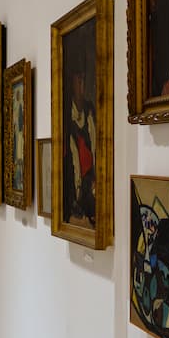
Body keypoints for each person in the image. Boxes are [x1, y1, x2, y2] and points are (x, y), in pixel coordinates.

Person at [66, 71, 97, 226]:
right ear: (72, 84)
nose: (82, 86)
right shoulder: (66, 114)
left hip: (90, 174)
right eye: (78, 81)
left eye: (83, 81)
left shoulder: (89, 109)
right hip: (76, 175)